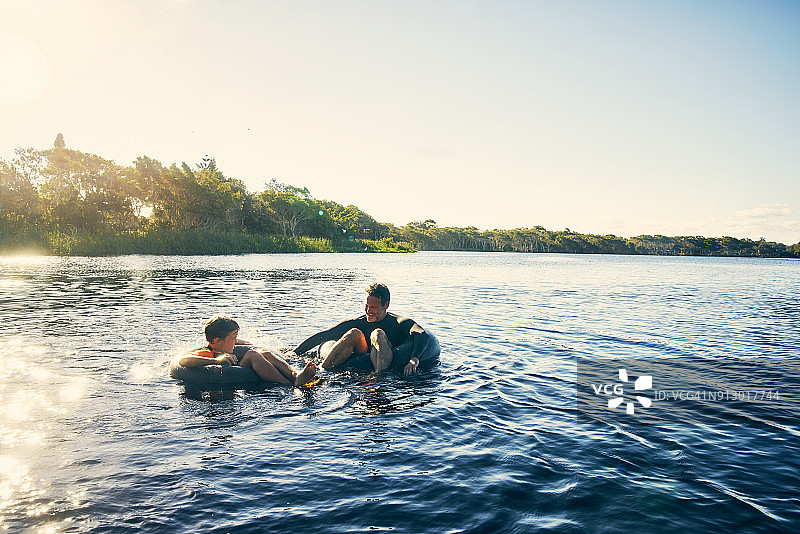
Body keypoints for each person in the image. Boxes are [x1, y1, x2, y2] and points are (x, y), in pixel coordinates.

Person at [291, 283, 432, 375]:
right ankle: (322, 371)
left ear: (386, 305)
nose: (368, 311)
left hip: (387, 358)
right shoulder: (359, 322)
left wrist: (414, 359)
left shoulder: (398, 322)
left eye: (373, 307)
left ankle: (378, 378)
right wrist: (295, 353)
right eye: (366, 306)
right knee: (354, 333)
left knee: (377, 333)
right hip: (362, 357)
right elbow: (325, 335)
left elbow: (421, 334)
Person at [178, 316, 317, 387]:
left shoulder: (221, 344)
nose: (236, 341)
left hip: (237, 368)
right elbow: (183, 361)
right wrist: (216, 361)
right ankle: (289, 383)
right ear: (217, 340)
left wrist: (244, 343)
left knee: (265, 353)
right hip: (227, 375)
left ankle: (295, 374)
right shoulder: (205, 352)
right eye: (233, 338)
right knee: (252, 355)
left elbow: (237, 343)